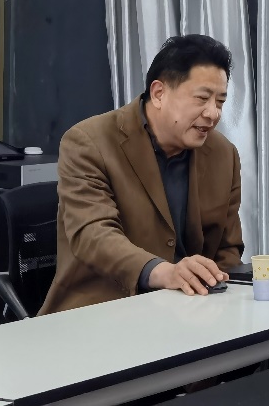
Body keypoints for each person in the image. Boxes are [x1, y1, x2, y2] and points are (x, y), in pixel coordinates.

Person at [39, 34, 244, 315]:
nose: (213, 113)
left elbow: (228, 249)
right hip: (102, 312)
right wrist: (164, 273)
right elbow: (93, 234)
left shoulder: (223, 154)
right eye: (202, 98)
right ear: (159, 93)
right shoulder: (89, 142)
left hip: (190, 313)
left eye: (220, 101)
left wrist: (220, 300)